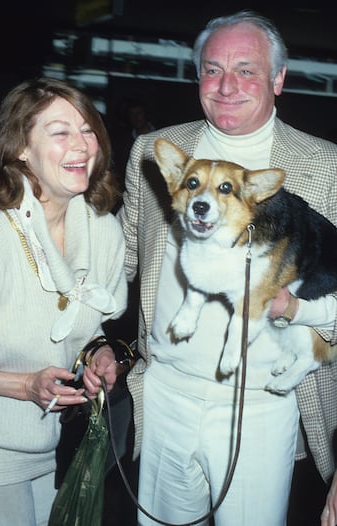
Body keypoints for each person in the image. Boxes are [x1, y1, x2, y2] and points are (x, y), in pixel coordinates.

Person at [117, 10, 337, 526]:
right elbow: (121, 257)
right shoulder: (153, 151)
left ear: (278, 79)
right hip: (166, 392)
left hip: (262, 404)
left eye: (246, 69)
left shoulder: (326, 166)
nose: (226, 85)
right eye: (212, 69)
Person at [0, 77, 129, 526]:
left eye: (88, 130)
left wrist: (100, 353)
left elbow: (84, 327)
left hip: (41, 440)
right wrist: (21, 385)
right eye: (60, 132)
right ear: (20, 148)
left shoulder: (100, 231)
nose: (82, 145)